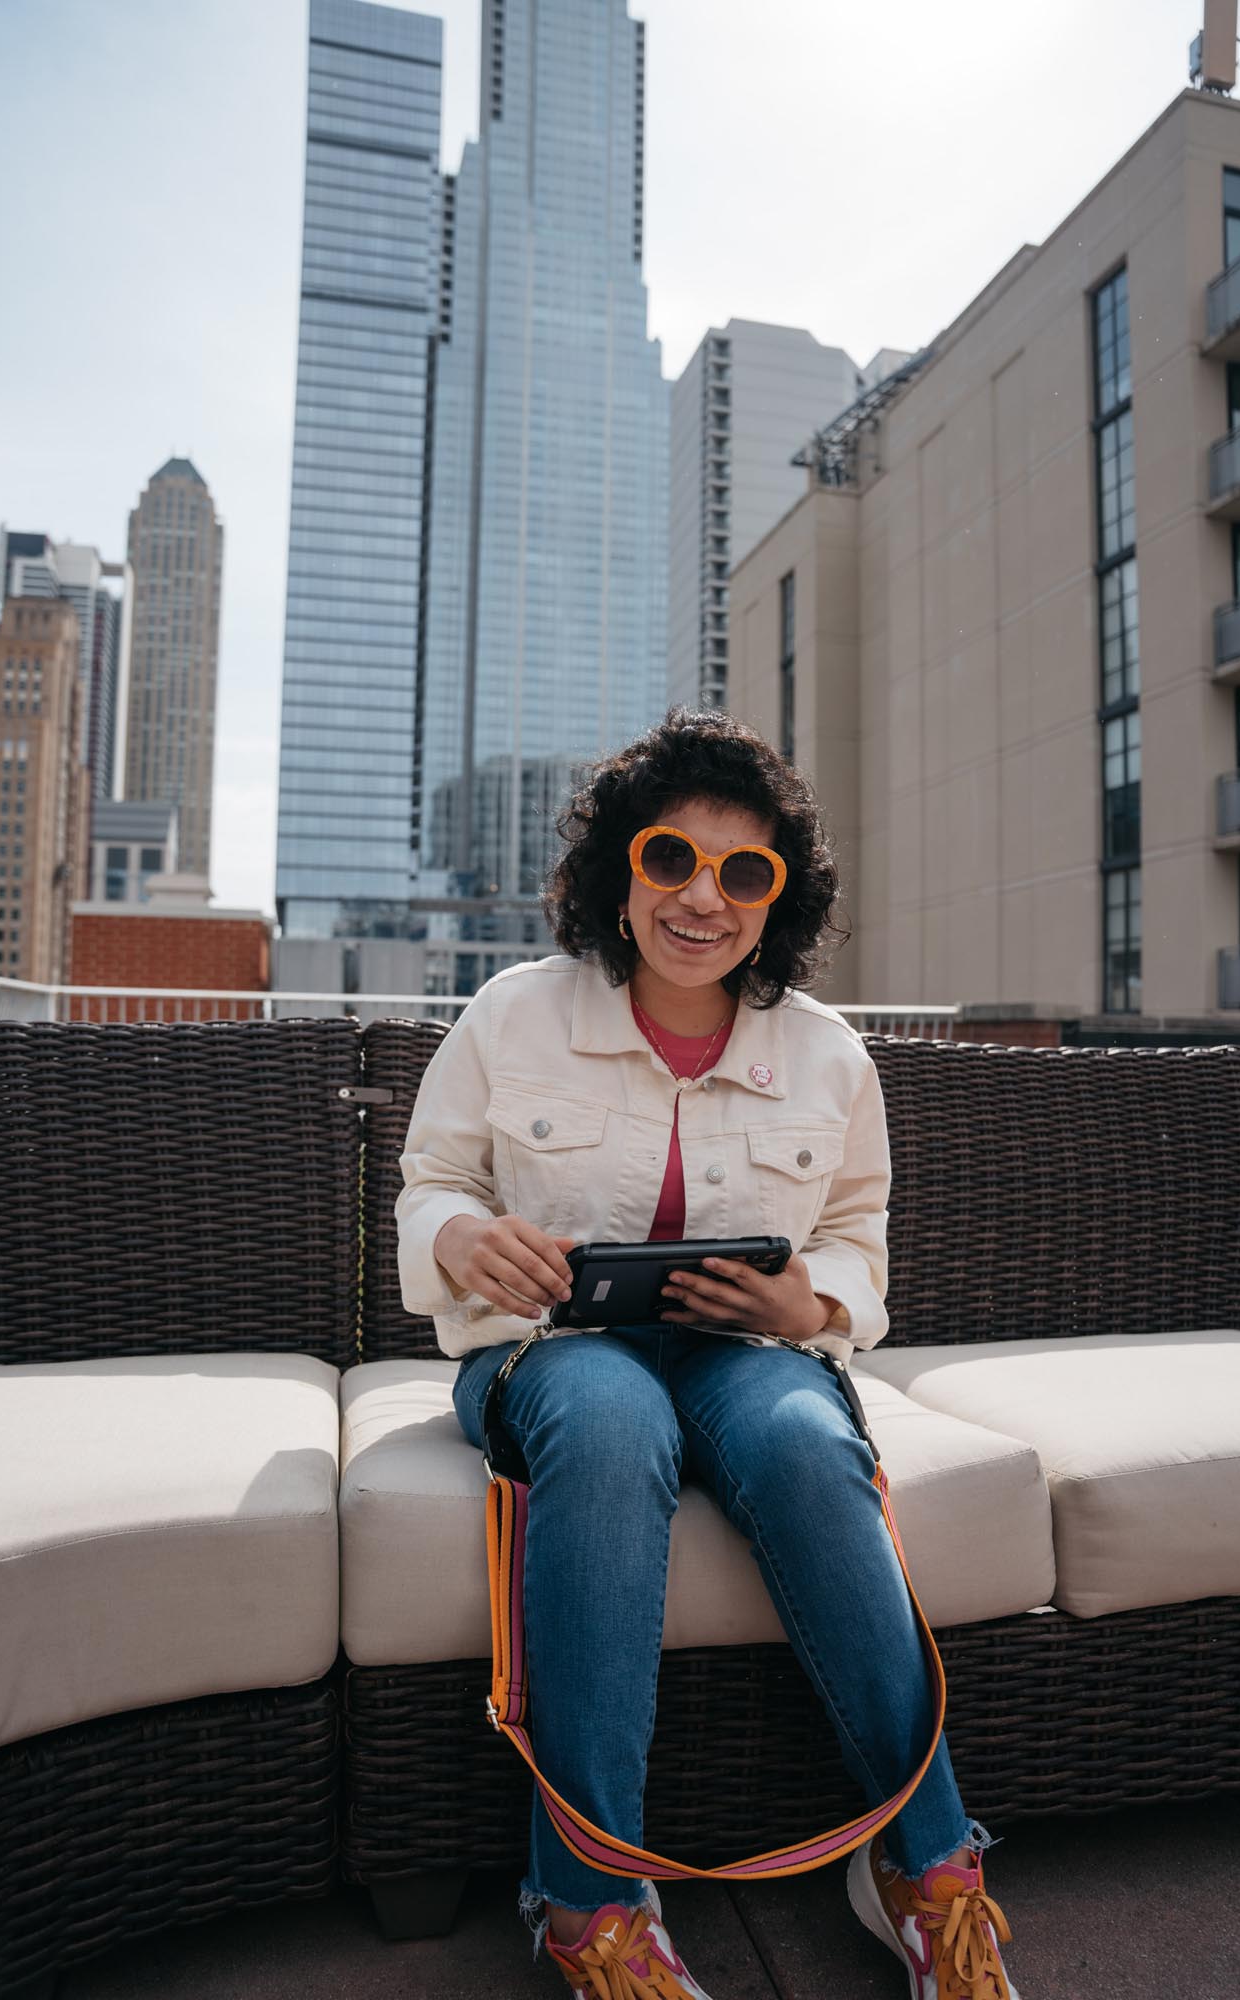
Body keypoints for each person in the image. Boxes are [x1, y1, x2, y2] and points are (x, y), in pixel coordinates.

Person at [396, 707, 1019, 2000]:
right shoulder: (512, 1016)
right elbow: (429, 1183)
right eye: (670, 859)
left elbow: (854, 1239)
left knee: (804, 1444)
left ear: (775, 900)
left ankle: (927, 1869)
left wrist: (813, 1312)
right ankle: (587, 1907)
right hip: (549, 1354)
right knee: (614, 1424)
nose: (703, 897)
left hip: (746, 1354)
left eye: (745, 872)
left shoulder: (826, 1053)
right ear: (619, 874)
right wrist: (462, 1240)